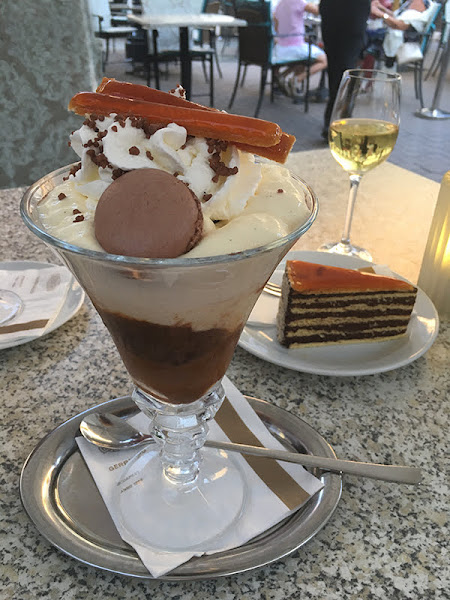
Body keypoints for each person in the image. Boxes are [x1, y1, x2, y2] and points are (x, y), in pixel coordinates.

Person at [319, 0, 371, 139]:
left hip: (335, 17)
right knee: (345, 73)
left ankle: (335, 121)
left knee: (338, 73)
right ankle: (338, 124)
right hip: (350, 19)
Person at [272, 0, 327, 100]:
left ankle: (283, 76)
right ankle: (297, 79)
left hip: (280, 48)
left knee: (303, 59)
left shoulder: (280, 4)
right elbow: (319, 11)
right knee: (324, 60)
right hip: (295, 47)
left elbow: (276, 28)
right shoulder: (298, 2)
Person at [370, 0, 435, 67]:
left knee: (365, 36)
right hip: (393, 35)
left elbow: (399, 25)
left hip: (402, 41)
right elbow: (396, 16)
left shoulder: (420, 3)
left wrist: (380, 14)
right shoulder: (411, 2)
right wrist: (381, 8)